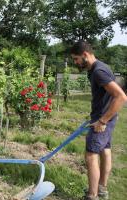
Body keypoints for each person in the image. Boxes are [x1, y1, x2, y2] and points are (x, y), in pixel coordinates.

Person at [70, 40, 127, 200]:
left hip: (103, 120)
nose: (75, 62)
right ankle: (102, 189)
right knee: (105, 150)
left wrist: (102, 121)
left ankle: (92, 195)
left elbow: (121, 97)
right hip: (107, 117)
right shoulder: (100, 67)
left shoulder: (98, 71)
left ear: (85, 55)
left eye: (76, 59)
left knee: (91, 155)